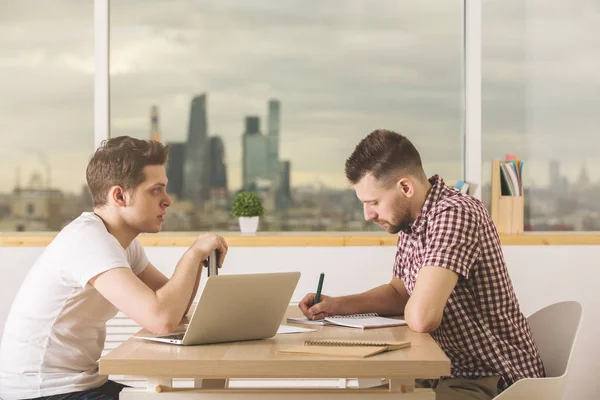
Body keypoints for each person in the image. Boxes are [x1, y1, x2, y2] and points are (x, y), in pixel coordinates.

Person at [298, 129, 544, 399]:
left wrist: (416, 301)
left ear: (405, 187)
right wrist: (337, 305)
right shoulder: (411, 222)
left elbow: (423, 318)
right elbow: (399, 293)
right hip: (444, 370)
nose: (368, 215)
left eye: (374, 202)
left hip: (490, 377)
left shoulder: (455, 213)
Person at [0, 136, 228, 400]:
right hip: (41, 393)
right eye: (156, 190)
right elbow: (162, 320)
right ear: (119, 196)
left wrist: (197, 258)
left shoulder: (121, 244)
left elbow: (175, 307)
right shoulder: (88, 240)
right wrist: (193, 253)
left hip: (81, 384)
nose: (167, 200)